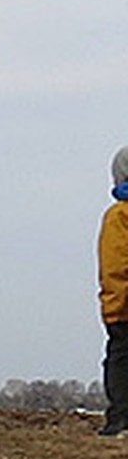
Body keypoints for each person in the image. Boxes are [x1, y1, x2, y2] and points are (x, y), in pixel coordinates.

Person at [98, 146, 128, 434]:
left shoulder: (119, 215)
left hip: (126, 307)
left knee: (120, 360)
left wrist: (113, 309)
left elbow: (115, 266)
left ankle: (121, 420)